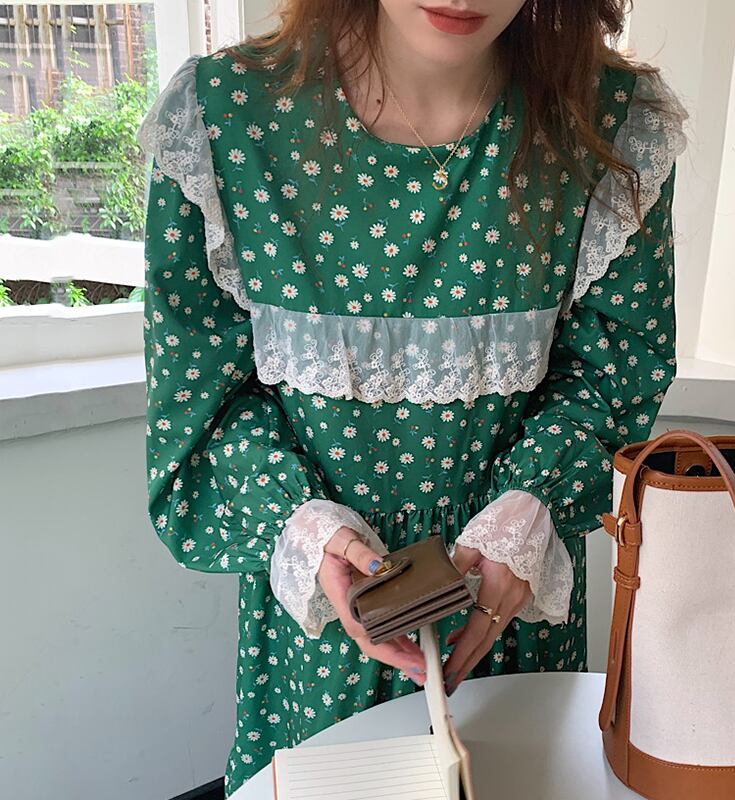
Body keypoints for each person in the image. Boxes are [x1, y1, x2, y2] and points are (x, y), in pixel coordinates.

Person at [136, 0, 688, 795]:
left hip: (509, 609)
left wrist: (528, 509)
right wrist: (303, 524)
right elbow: (204, 400)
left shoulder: (607, 124)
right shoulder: (224, 120)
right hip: (321, 636)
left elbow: (614, 370)